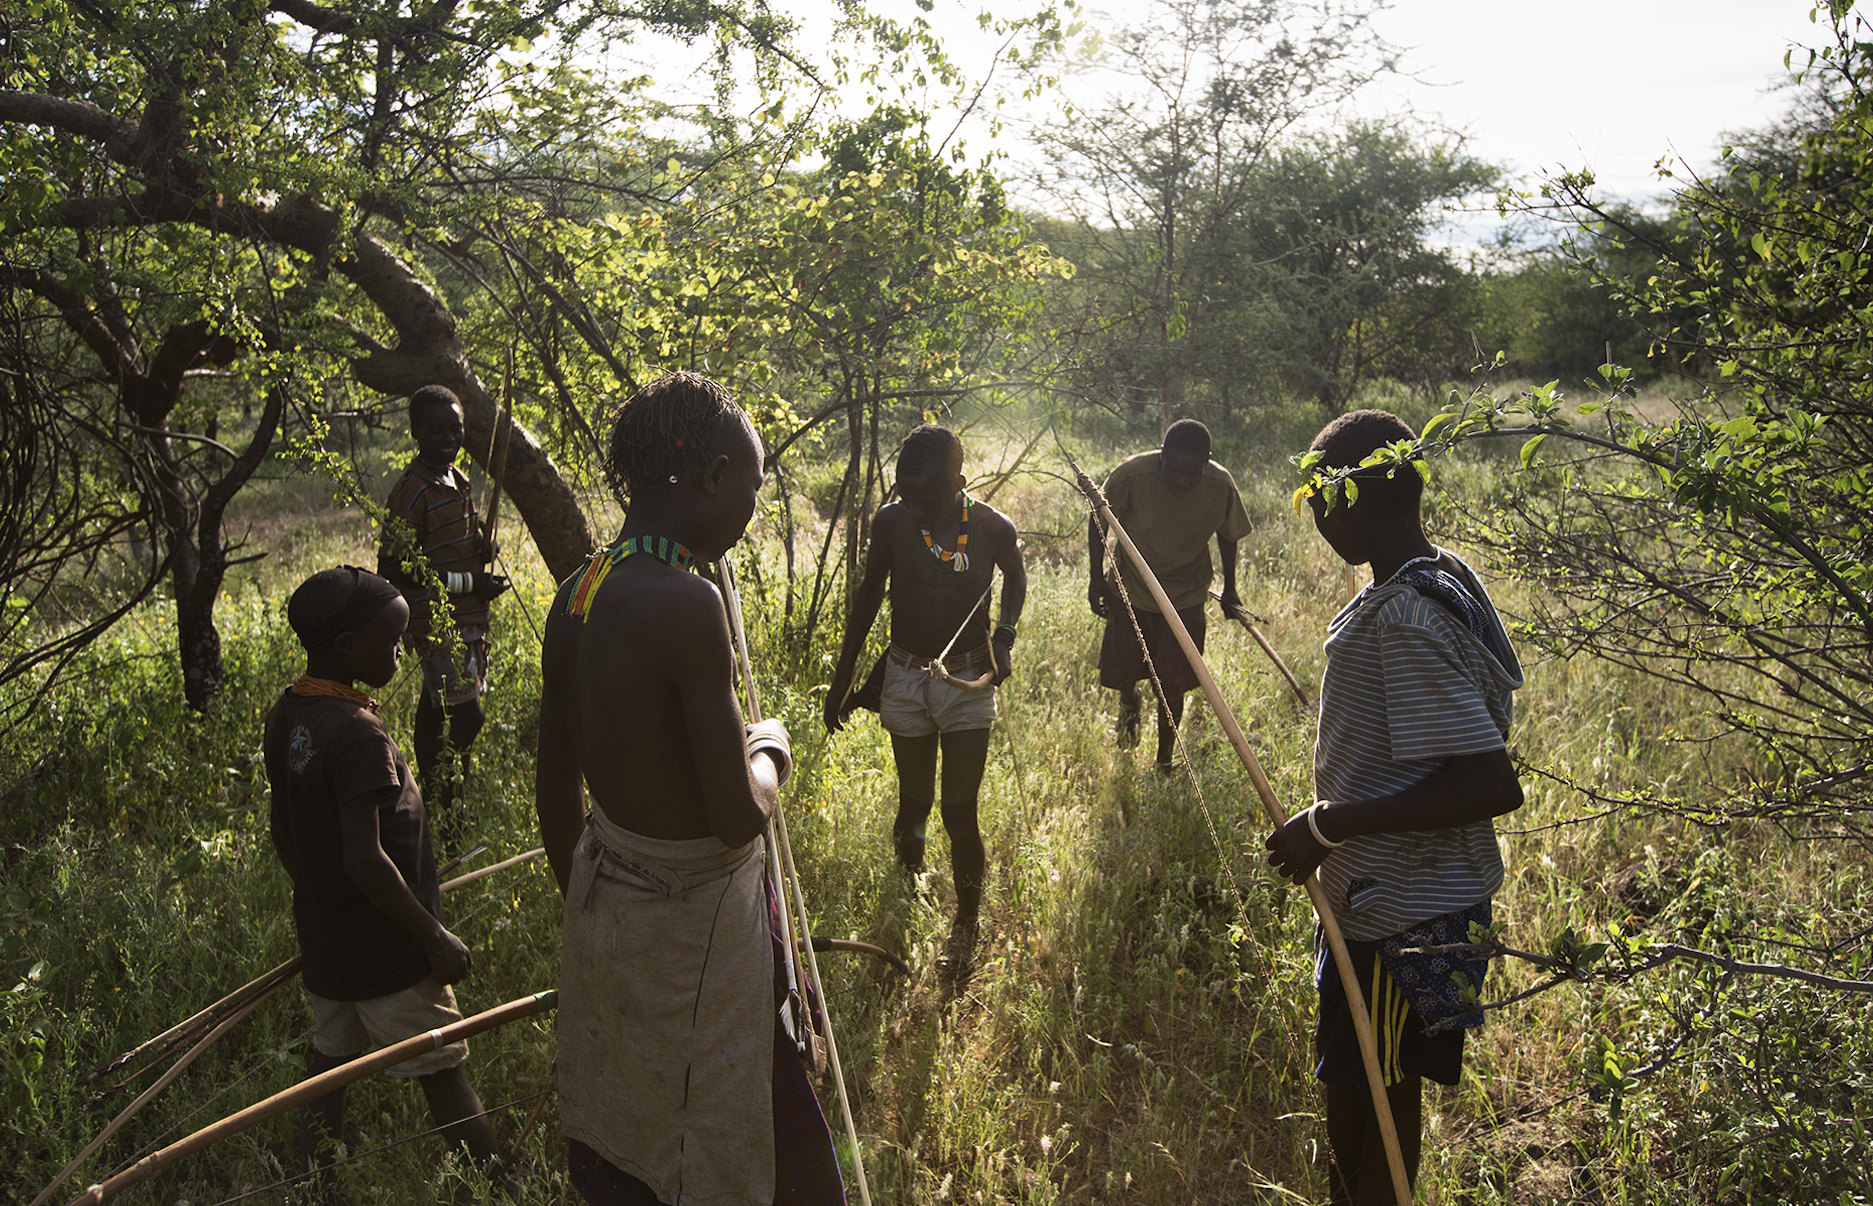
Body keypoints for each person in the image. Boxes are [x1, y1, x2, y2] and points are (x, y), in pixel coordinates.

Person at [534, 370, 844, 1206]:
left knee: (629, 1115)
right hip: (702, 930)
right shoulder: (685, 601)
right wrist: (771, 752)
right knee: (721, 1124)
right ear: (709, 476)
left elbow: (553, 800)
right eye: (750, 483)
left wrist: (605, 908)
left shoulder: (578, 594)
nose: (749, 505)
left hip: (610, 917)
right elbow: (736, 817)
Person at [1264, 409, 1526, 1205]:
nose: (1314, 521)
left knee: (1366, 1122)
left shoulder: (1405, 615)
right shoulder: (1431, 575)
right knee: (1382, 1104)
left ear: (1351, 498)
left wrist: (1325, 824)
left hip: (1399, 923)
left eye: (1319, 501)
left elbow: (1487, 784)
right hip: (1416, 903)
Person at [264, 566, 502, 1197]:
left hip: (329, 942)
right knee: (442, 1067)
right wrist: (433, 936)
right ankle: (503, 1189)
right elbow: (366, 860)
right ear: (346, 647)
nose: (403, 648)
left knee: (329, 1067)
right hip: (390, 949)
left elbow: (283, 829)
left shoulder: (289, 711)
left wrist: (323, 902)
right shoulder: (360, 734)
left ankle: (311, 1185)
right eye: (393, 639)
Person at [823, 424, 1026, 971]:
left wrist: (1003, 638)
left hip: (966, 684)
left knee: (961, 813)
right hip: (906, 679)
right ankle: (907, 899)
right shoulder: (891, 523)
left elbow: (1016, 577)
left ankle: (965, 925)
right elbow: (868, 598)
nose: (914, 508)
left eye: (927, 498)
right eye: (905, 496)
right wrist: (844, 682)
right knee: (913, 803)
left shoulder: (991, 528)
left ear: (961, 481)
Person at [378, 384, 508, 855]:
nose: (448, 437)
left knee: (440, 710)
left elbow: (466, 544)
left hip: (469, 622)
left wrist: (482, 549)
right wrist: (470, 584)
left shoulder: (459, 481)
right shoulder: (412, 490)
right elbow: (393, 567)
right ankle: (438, 797)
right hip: (437, 622)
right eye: (436, 430)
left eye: (455, 428)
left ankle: (447, 815)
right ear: (415, 433)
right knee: (466, 716)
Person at [1088, 418, 1252, 771]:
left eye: (1190, 474)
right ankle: (1129, 701)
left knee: (1172, 682)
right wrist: (1094, 577)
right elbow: (1098, 519)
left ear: (1206, 462)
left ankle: (1164, 759)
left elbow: (1228, 533)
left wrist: (1231, 587)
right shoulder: (1131, 476)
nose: (1180, 481)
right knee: (1126, 670)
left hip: (1185, 595)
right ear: (1161, 456)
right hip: (1131, 589)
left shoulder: (1220, 484)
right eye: (1172, 471)